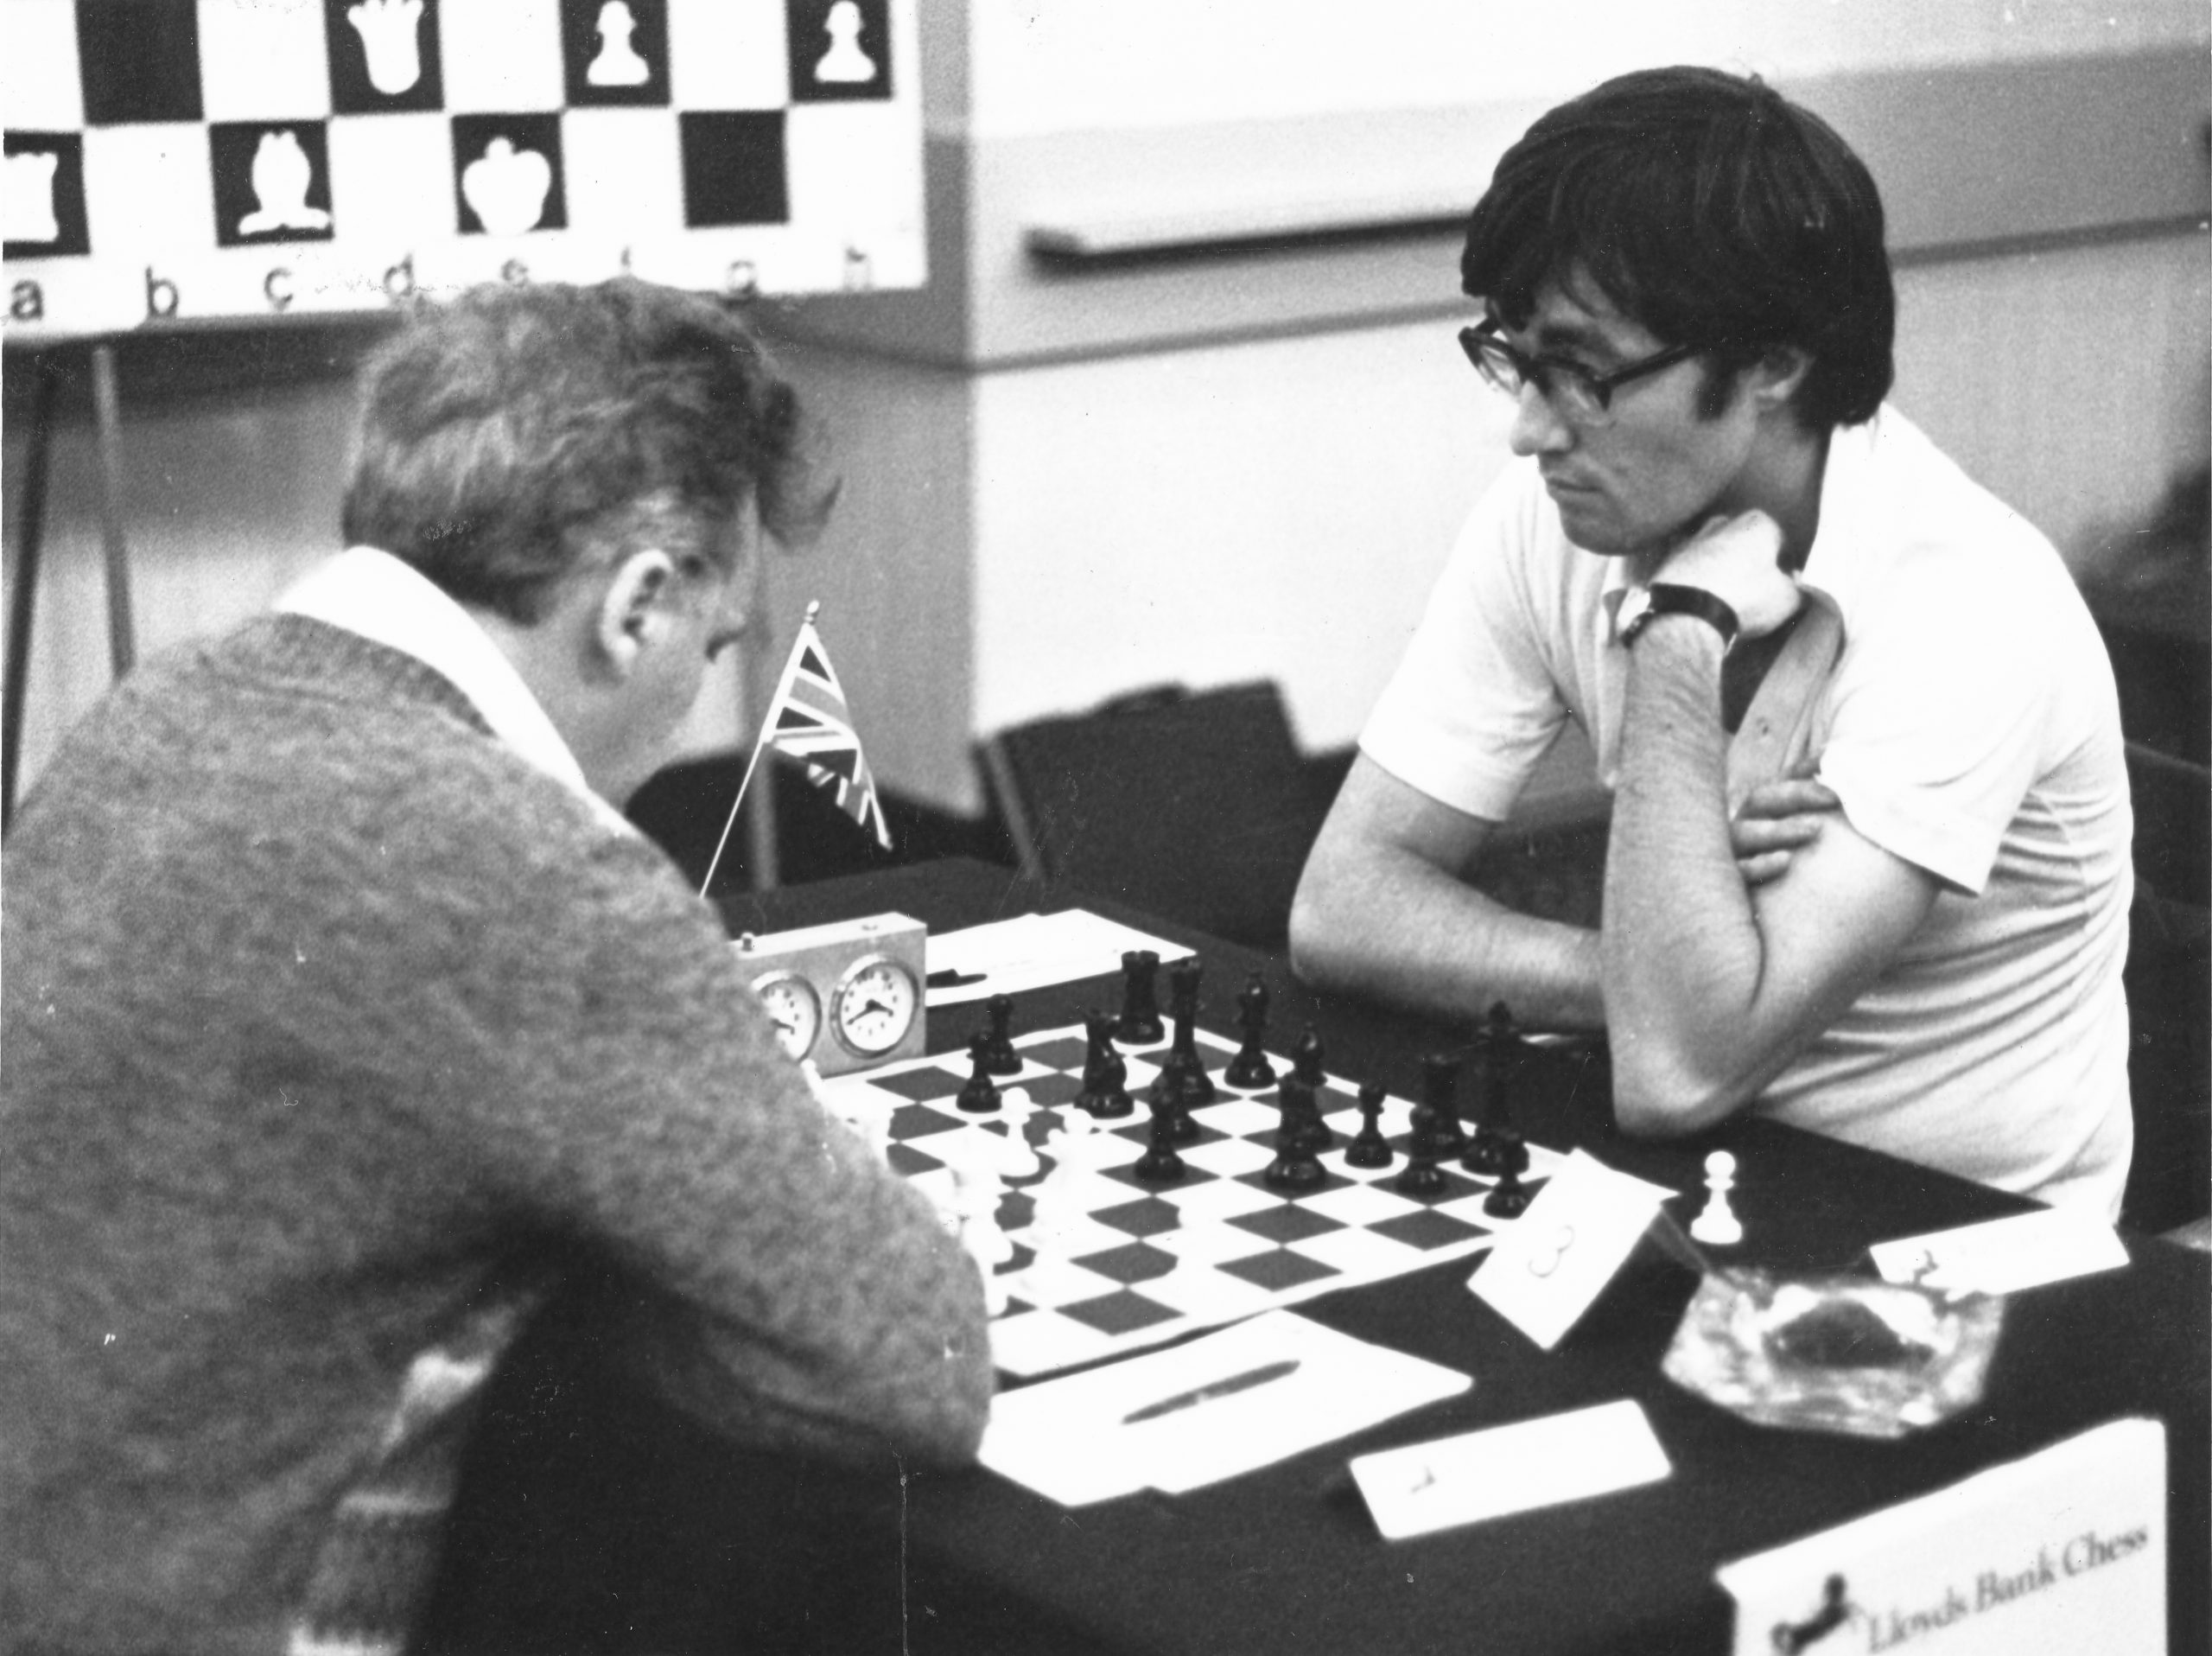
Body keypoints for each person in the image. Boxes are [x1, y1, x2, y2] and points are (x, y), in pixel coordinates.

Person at [1, 279, 994, 1654]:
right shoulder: (538, 875)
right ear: (640, 605)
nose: (703, 685)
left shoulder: (160, 710)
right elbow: (922, 1363)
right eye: (714, 646)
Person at [1291, 67, 2133, 1218]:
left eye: (1581, 372)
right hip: (1687, 1188)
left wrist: (1680, 634)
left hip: (1948, 1246)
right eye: (1513, 354)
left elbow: (1676, 1073)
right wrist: (1649, 963)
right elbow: (1341, 906)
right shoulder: (1557, 509)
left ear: (1775, 364)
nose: (1526, 429)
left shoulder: (1972, 607)